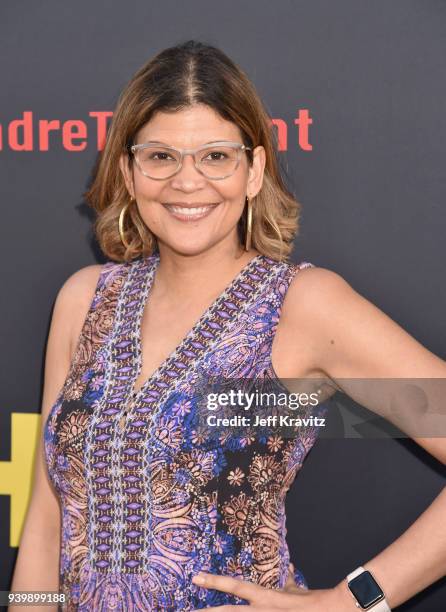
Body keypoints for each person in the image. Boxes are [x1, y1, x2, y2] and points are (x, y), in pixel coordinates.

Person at [10, 40, 446, 612]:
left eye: (215, 156)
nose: (187, 182)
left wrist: (353, 601)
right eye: (160, 156)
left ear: (254, 169)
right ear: (129, 170)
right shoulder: (84, 298)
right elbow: (47, 516)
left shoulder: (303, 305)